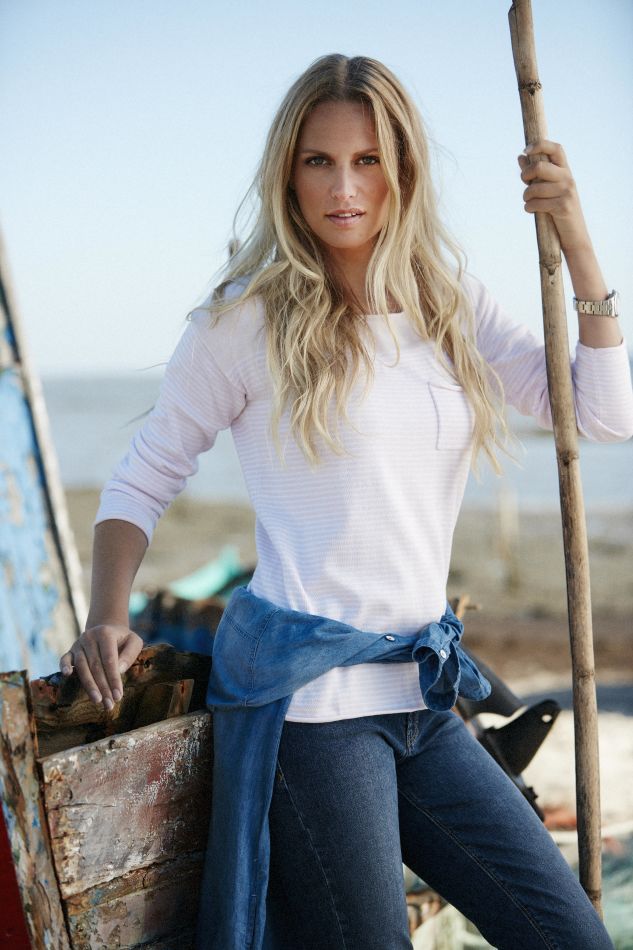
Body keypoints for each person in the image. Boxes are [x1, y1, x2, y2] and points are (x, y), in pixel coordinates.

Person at [60, 54, 632, 950]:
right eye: (318, 161)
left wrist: (577, 241)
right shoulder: (242, 320)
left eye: (367, 160)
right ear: (286, 173)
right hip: (313, 712)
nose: (343, 188)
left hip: (422, 696)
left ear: (402, 168)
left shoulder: (449, 304)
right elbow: (145, 474)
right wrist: (104, 615)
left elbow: (600, 414)